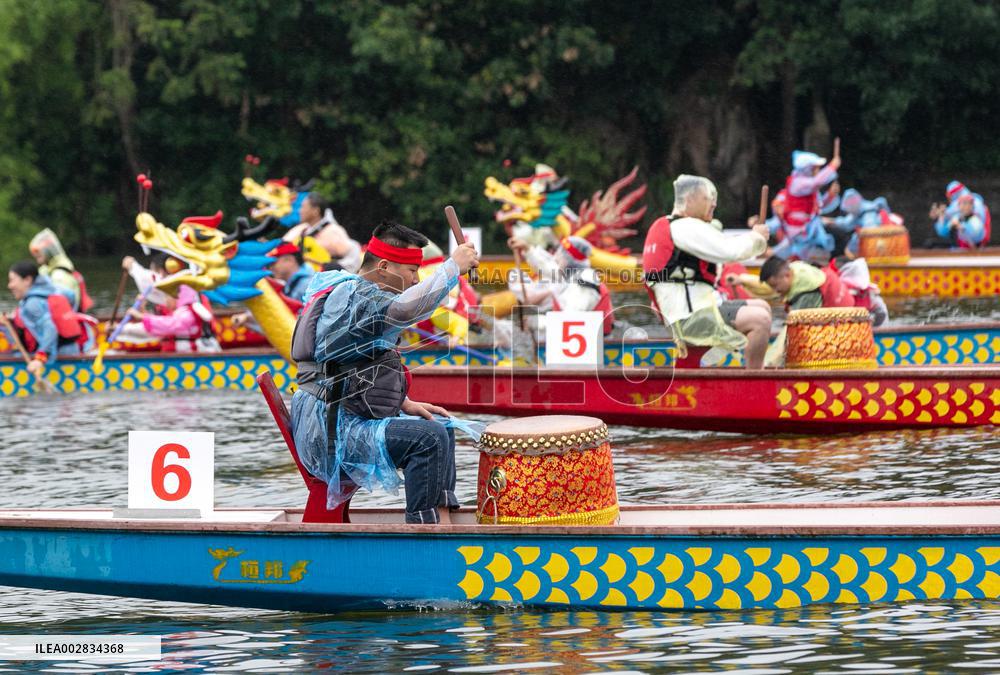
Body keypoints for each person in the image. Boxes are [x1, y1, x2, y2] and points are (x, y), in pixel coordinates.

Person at [290, 220, 479, 524]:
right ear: (383, 267)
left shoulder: (359, 294)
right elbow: (406, 309)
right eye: (412, 272)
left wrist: (404, 404)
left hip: (340, 415)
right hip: (328, 433)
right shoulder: (352, 296)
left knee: (441, 426)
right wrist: (452, 268)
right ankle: (424, 531)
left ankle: (443, 520)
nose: (417, 280)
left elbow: (353, 361)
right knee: (427, 439)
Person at [642, 174, 771, 368]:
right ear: (689, 200)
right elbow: (728, 250)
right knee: (760, 320)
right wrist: (757, 238)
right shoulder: (685, 226)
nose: (714, 204)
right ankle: (755, 382)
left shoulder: (667, 226)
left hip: (689, 311)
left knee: (763, 306)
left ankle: (699, 364)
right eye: (708, 198)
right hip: (689, 317)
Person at [506, 234, 615, 338]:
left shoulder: (584, 281)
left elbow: (570, 319)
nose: (556, 258)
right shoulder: (573, 274)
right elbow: (546, 268)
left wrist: (536, 322)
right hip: (581, 341)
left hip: (595, 346)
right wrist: (527, 249)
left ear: (569, 259)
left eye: (560, 254)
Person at [117, 254, 219, 352]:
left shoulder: (190, 307)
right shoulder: (174, 305)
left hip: (196, 352)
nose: (165, 299)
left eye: (167, 295)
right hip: (174, 352)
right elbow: (156, 329)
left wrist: (141, 317)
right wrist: (122, 329)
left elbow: (168, 325)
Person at [6, 261, 87, 377]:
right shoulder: (52, 290)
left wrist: (40, 358)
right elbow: (71, 297)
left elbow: (50, 328)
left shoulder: (32, 302)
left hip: (57, 355)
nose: (10, 285)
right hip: (72, 350)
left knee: (15, 355)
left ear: (27, 280)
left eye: (12, 280)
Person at [756, 255, 888, 325]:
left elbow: (795, 328)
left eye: (775, 286)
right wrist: (742, 280)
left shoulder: (806, 292)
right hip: (860, 307)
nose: (775, 290)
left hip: (871, 314)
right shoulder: (798, 269)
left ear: (787, 275)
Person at [773, 149, 840, 263]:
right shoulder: (798, 183)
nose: (818, 170)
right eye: (816, 167)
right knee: (798, 256)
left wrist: (830, 195)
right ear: (808, 169)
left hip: (809, 228)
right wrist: (832, 167)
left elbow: (820, 205)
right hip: (798, 230)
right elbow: (817, 182)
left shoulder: (810, 189)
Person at [283, 193, 363, 272]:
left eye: (303, 207)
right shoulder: (301, 230)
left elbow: (353, 254)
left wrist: (333, 268)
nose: (300, 211)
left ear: (316, 211)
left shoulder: (333, 231)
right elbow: (283, 245)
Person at [28, 229, 93, 312]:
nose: (37, 261)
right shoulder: (48, 269)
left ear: (48, 252)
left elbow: (60, 305)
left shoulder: (60, 275)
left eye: (39, 257)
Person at [826, 188, 894, 258]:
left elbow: (871, 231)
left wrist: (852, 245)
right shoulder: (858, 212)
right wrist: (829, 221)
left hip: (881, 242)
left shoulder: (869, 212)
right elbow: (846, 223)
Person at [928, 182, 990, 249]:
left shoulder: (975, 219)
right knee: (931, 244)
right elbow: (943, 232)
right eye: (962, 204)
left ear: (972, 205)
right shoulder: (957, 216)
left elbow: (977, 237)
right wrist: (941, 217)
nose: (965, 206)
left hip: (974, 251)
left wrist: (961, 227)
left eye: (967, 203)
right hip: (958, 251)